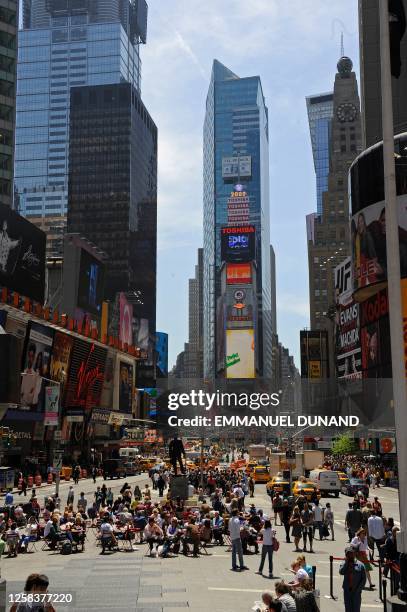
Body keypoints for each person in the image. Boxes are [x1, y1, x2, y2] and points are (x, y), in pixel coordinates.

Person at [339, 546, 366, 612]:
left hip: (356, 591)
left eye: (351, 553)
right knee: (348, 609)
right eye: (348, 554)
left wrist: (358, 590)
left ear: (354, 554)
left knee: (356, 609)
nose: (350, 555)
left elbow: (363, 579)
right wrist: (346, 563)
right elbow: (341, 572)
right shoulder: (344, 563)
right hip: (347, 591)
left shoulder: (360, 565)